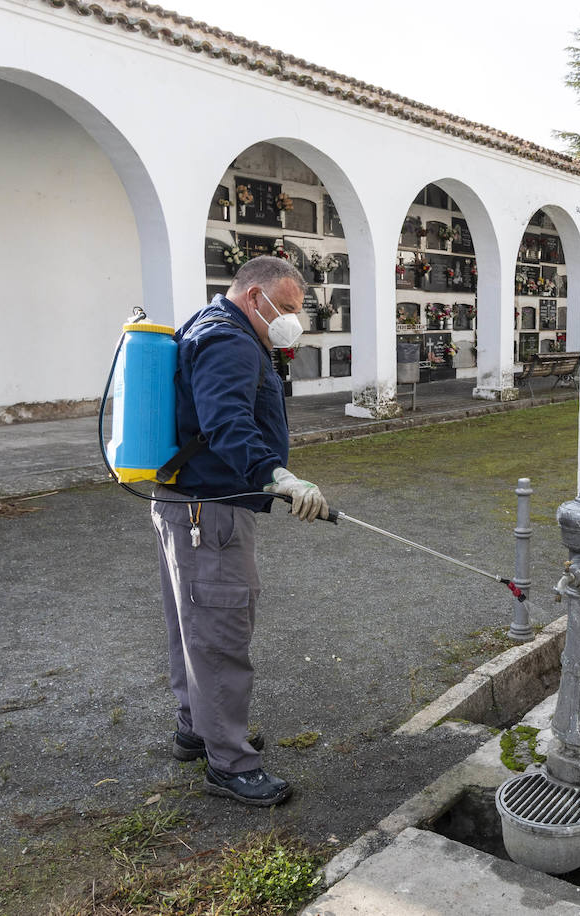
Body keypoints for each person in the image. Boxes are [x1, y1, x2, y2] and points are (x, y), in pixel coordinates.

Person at [151, 255, 329, 806]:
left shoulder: (210, 326)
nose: (294, 321)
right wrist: (276, 474)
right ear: (255, 297)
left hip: (190, 503)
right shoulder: (229, 340)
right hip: (211, 510)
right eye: (290, 309)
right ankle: (229, 761)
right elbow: (226, 421)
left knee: (194, 622)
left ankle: (196, 729)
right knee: (221, 628)